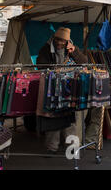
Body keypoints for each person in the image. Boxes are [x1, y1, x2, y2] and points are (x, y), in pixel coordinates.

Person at [36, 27, 88, 155]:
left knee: (71, 119)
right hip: (52, 86)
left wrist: (74, 51)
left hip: (69, 87)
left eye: (63, 41)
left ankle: (72, 147)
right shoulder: (46, 49)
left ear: (67, 41)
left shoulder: (71, 48)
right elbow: (40, 64)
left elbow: (84, 62)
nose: (60, 43)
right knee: (53, 117)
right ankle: (51, 147)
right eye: (58, 40)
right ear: (54, 39)